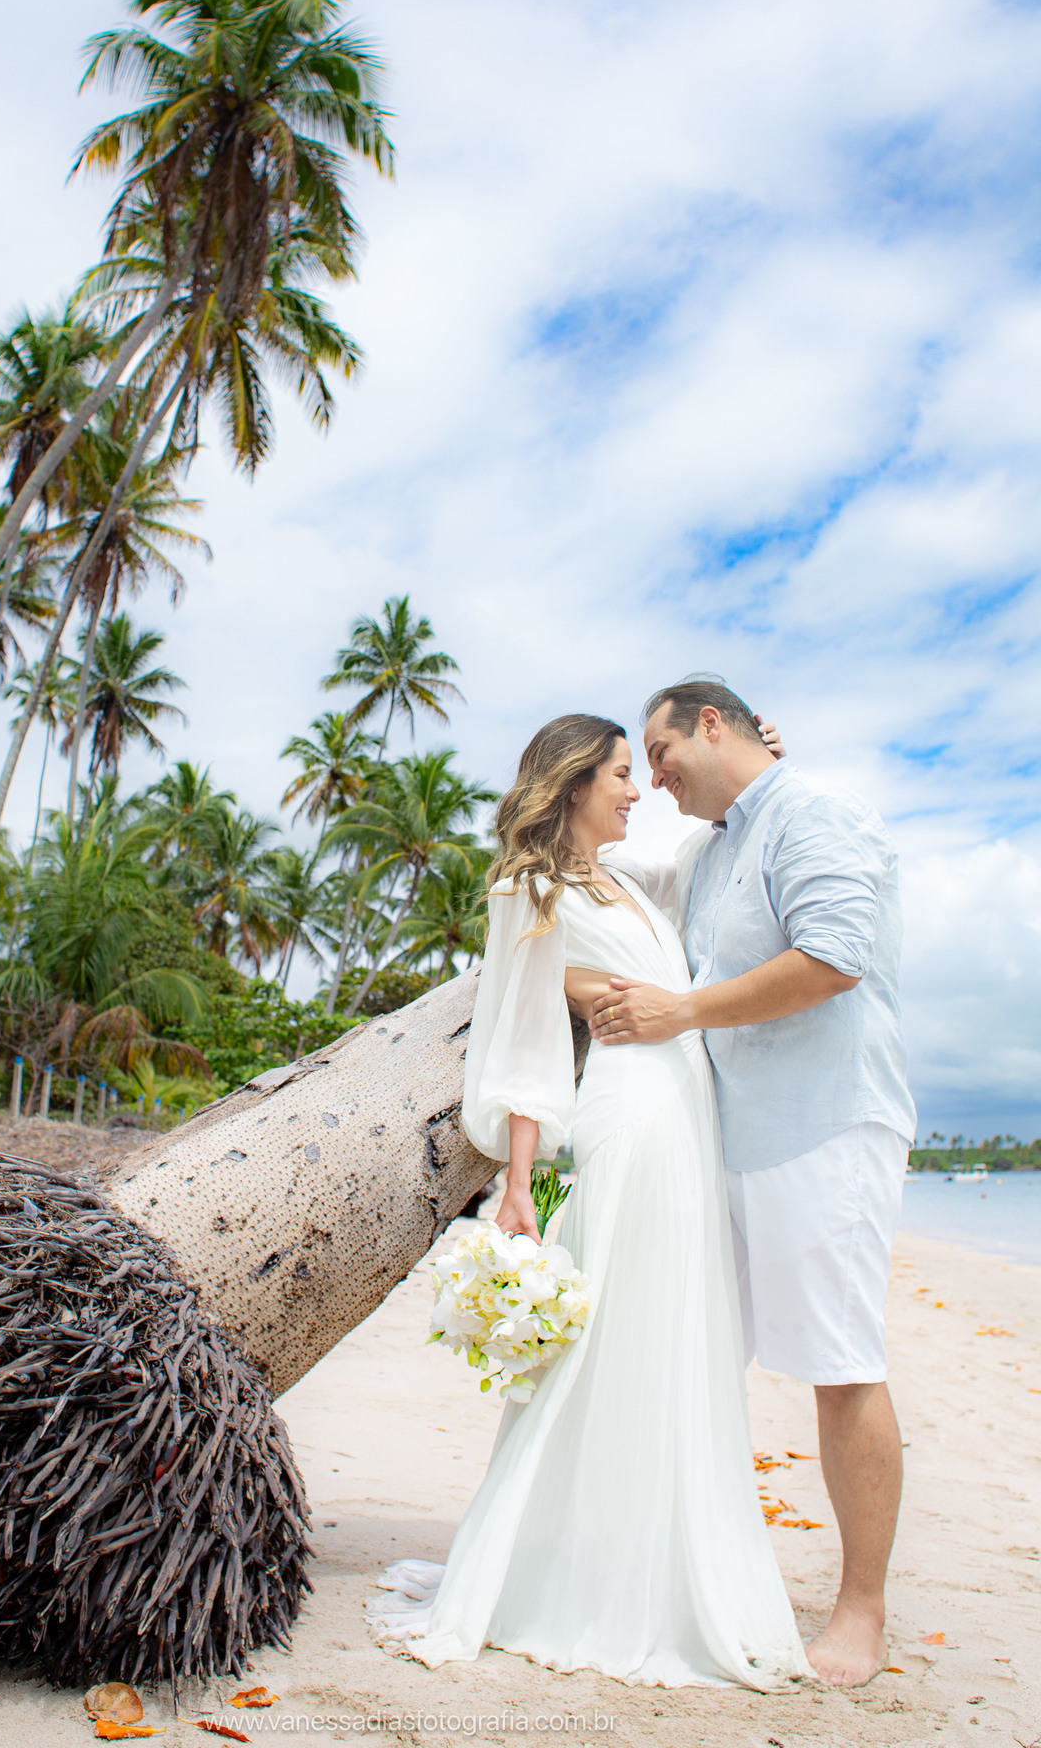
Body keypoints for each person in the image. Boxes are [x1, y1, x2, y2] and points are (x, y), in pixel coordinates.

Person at [367, 714, 811, 1688]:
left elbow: (723, 841)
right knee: (614, 1339)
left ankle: (653, 1559)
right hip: (634, 1117)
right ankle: (579, 1578)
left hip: (688, 1121)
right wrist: (519, 1184)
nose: (636, 788)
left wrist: (759, 759)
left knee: (672, 1337)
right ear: (571, 784)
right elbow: (524, 1035)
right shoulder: (530, 886)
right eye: (619, 772)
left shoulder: (628, 881)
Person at [589, 678, 915, 1690]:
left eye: (659, 750)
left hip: (824, 1126)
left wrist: (680, 1013)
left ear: (713, 723)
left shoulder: (816, 813)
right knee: (705, 1347)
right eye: (635, 765)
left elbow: (833, 957)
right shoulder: (715, 844)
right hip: (731, 1137)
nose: (651, 776)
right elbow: (607, 866)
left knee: (839, 1361)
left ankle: (861, 1611)